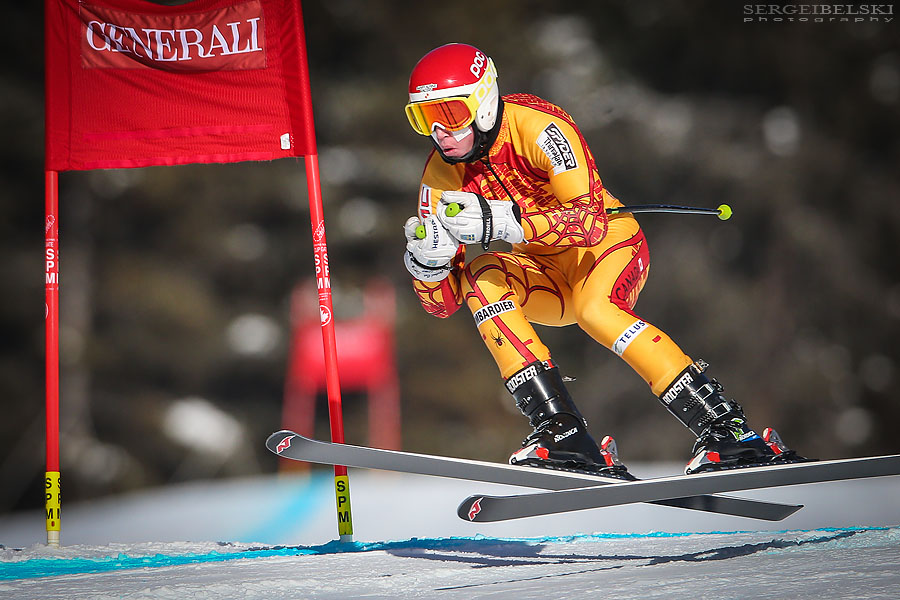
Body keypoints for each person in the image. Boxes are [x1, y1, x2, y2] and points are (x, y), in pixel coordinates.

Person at [402, 43, 801, 476]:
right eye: (425, 118)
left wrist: (509, 223)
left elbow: (588, 223)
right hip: (546, 275)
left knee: (596, 310)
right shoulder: (439, 179)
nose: (440, 132)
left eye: (451, 114)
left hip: (607, 249)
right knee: (480, 275)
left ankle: (725, 426)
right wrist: (430, 268)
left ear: (482, 103)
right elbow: (442, 304)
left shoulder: (541, 128)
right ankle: (561, 430)